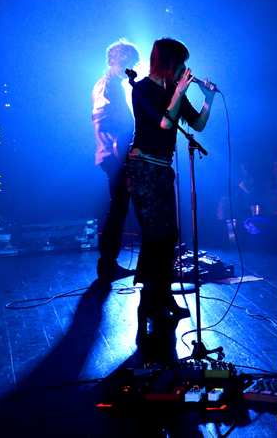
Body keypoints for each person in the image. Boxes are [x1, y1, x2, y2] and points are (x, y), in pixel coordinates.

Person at [126, 38, 216, 334]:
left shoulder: (170, 91)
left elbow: (197, 124)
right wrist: (178, 92)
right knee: (155, 235)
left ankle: (162, 294)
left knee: (169, 235)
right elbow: (164, 123)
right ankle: (148, 299)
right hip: (143, 169)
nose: (185, 70)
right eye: (181, 64)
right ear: (169, 63)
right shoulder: (142, 89)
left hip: (163, 171)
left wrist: (208, 98)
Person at [92, 39, 140, 280]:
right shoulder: (105, 85)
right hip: (114, 156)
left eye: (132, 63)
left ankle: (108, 264)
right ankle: (107, 265)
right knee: (117, 210)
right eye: (126, 62)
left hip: (119, 155)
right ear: (114, 61)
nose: (129, 67)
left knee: (119, 210)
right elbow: (101, 120)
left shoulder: (117, 85)